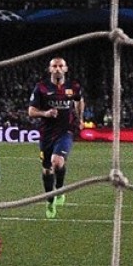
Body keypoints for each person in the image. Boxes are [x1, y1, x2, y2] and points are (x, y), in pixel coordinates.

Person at [27, 57, 85, 219]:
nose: (58, 69)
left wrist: (80, 118)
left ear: (65, 69)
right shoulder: (41, 87)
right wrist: (45, 113)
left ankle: (59, 190)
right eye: (54, 66)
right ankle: (50, 200)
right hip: (46, 134)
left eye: (60, 66)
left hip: (66, 131)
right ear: (50, 69)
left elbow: (79, 100)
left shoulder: (73, 87)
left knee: (57, 162)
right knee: (47, 169)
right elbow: (31, 111)